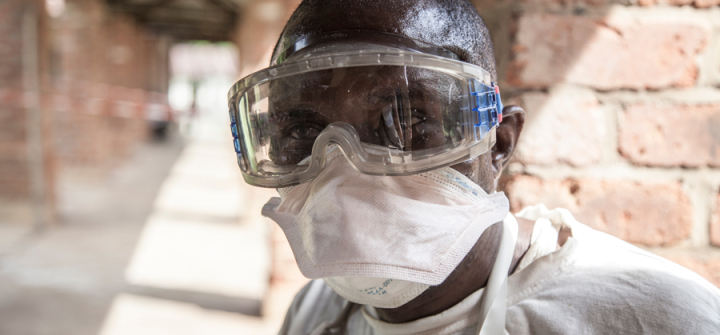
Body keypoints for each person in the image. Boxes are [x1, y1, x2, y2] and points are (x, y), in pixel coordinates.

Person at [225, 0, 720, 334]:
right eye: (302, 129)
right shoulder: (315, 312)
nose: (345, 173)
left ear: (499, 145)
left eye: (407, 120)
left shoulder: (656, 317)